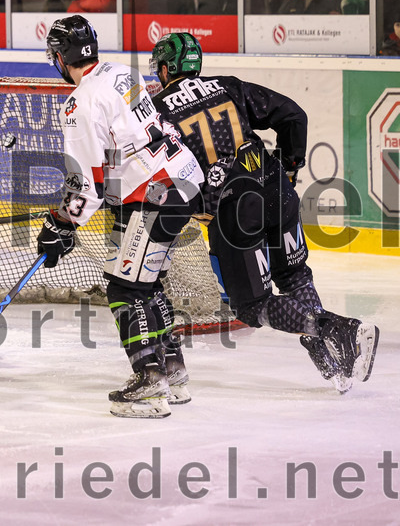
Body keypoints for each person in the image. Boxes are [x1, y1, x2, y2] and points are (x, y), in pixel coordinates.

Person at [150, 32, 379, 393]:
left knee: (250, 306)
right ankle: (329, 355)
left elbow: (165, 175)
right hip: (276, 186)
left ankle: (337, 328)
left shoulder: (157, 109)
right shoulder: (227, 86)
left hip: (235, 208)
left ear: (165, 69)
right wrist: (289, 168)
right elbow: (293, 115)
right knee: (295, 275)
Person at [36, 16, 204, 419]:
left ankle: (150, 381)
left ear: (60, 58)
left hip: (155, 193)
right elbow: (120, 147)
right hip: (183, 178)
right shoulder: (119, 72)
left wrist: (63, 223)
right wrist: (105, 201)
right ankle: (173, 370)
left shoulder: (77, 105)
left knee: (124, 288)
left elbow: (87, 184)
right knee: (144, 280)